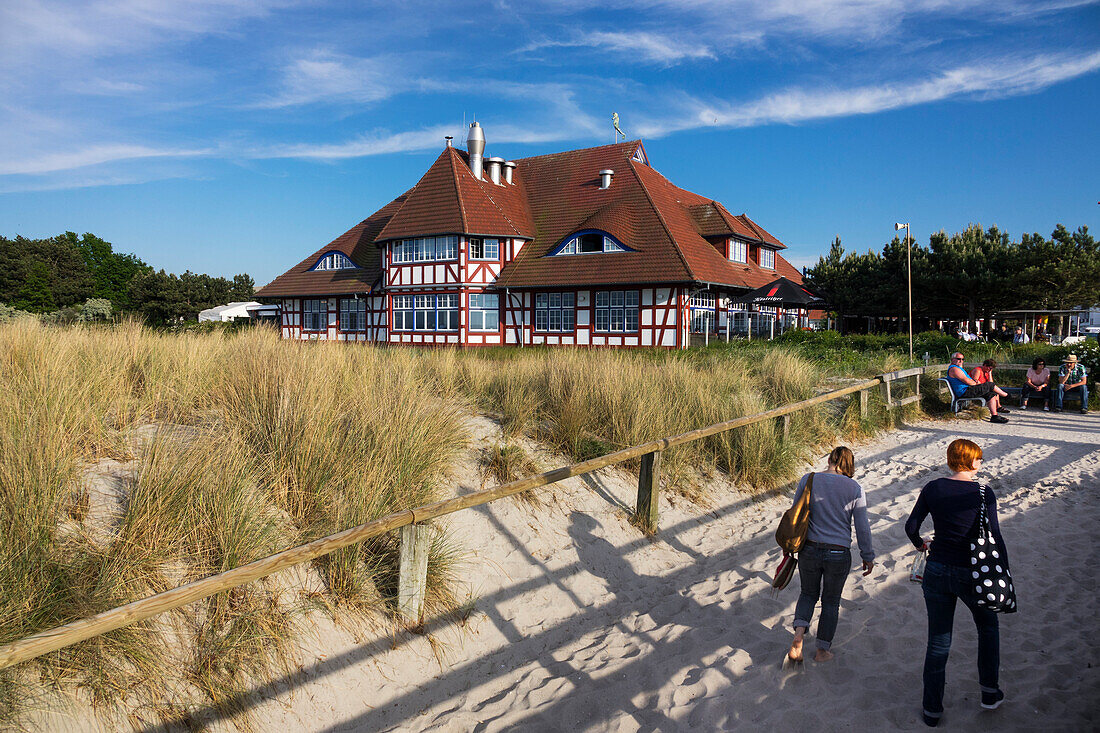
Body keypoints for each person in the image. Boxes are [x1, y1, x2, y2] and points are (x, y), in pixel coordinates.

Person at [905, 439, 1007, 727]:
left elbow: (911, 526)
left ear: (951, 461)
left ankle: (931, 709)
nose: (981, 464)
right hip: (973, 571)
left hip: (937, 569)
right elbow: (995, 536)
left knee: (939, 639)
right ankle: (989, 691)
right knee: (987, 627)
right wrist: (1002, 572)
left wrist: (920, 544)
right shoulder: (984, 492)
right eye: (980, 460)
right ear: (973, 462)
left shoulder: (933, 488)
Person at [787, 446, 874, 664]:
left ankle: (798, 637)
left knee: (807, 594)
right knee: (831, 601)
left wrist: (788, 543)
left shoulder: (809, 479)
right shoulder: (855, 488)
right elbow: (862, 527)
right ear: (850, 465)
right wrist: (867, 555)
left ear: (830, 459)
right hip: (838, 552)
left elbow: (794, 514)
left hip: (809, 548)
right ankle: (822, 650)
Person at [945, 352, 1009, 423]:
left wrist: (975, 382)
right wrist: (976, 383)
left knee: (990, 393)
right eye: (958, 359)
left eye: (963, 359)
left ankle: (994, 416)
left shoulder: (958, 368)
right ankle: (1006, 396)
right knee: (990, 385)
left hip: (967, 389)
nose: (961, 361)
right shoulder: (954, 369)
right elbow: (967, 381)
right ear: (952, 359)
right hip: (964, 391)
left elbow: (969, 380)